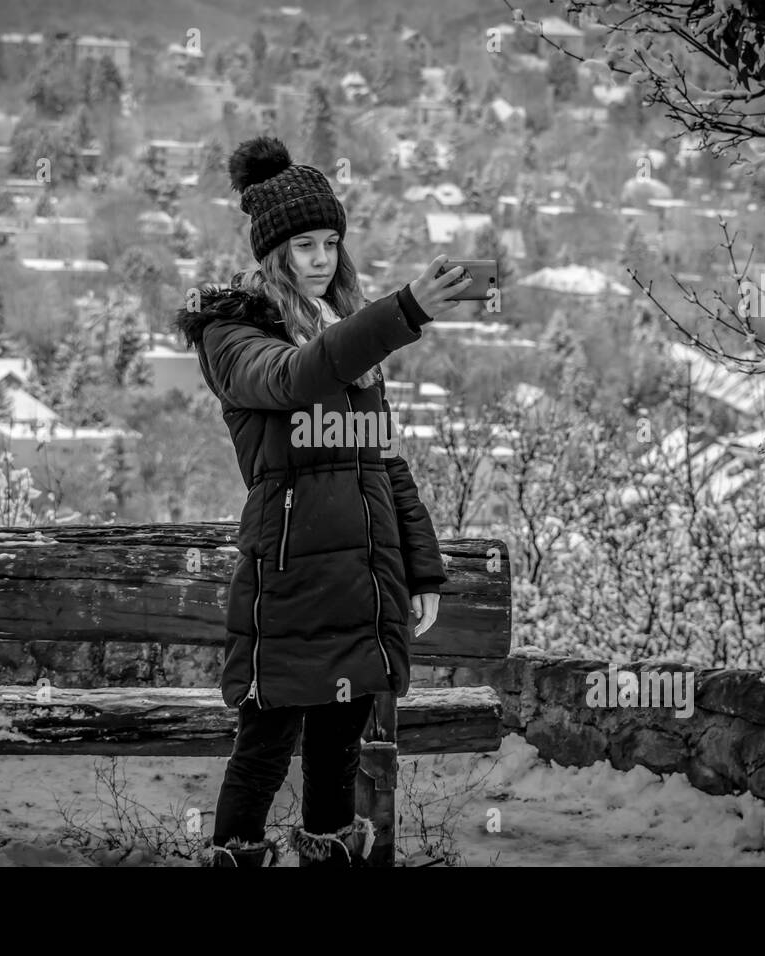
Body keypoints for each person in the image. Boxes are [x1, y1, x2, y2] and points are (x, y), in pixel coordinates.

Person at [173, 135, 473, 867]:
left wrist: (423, 569)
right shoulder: (234, 334)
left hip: (360, 582)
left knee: (338, 755)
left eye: (331, 242)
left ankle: (330, 857)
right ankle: (235, 856)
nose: (321, 258)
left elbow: (382, 463)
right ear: (273, 252)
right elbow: (295, 377)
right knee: (264, 746)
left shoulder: (345, 338)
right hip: (288, 581)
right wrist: (402, 311)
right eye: (303, 244)